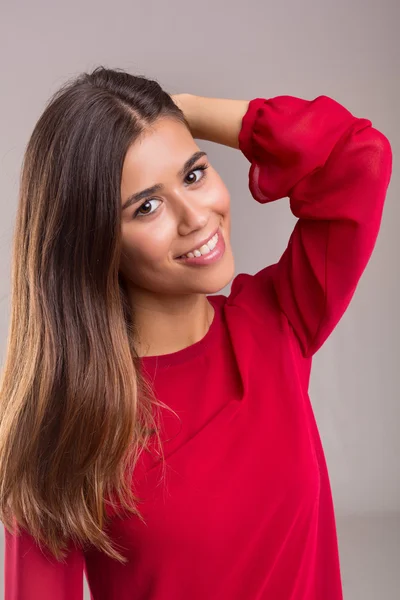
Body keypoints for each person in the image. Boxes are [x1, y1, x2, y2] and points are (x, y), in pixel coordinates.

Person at [1, 66, 392, 600]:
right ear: (92, 244)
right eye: (147, 206)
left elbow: (356, 155)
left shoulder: (277, 321)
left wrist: (178, 109)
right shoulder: (64, 428)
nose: (196, 217)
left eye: (193, 174)